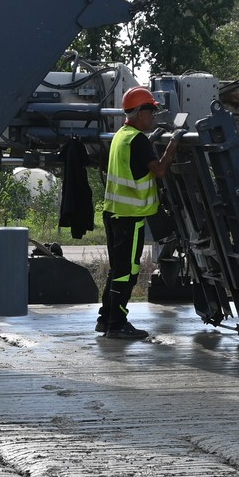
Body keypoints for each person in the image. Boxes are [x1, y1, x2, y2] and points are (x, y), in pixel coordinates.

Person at [97, 87, 179, 340]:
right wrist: (174, 144)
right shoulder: (138, 140)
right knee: (128, 270)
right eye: (151, 111)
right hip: (129, 216)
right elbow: (159, 171)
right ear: (140, 113)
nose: (154, 115)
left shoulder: (122, 135)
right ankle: (117, 323)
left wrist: (152, 140)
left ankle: (105, 318)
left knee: (117, 269)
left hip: (114, 213)